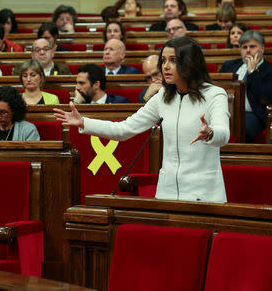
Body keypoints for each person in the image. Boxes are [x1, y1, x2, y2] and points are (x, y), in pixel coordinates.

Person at [54, 37, 230, 203]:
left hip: (203, 192)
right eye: (163, 61)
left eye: (173, 60)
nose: (166, 67)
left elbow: (223, 134)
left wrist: (210, 133)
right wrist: (84, 122)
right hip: (167, 192)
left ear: (190, 63)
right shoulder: (163, 96)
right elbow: (124, 129)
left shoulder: (215, 94)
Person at [219, 30, 272, 143]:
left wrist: (252, 72)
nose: (248, 50)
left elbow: (265, 96)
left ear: (262, 49)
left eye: (252, 46)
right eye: (244, 47)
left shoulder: (269, 70)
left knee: (239, 129)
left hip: (252, 115)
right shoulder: (229, 65)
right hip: (224, 112)